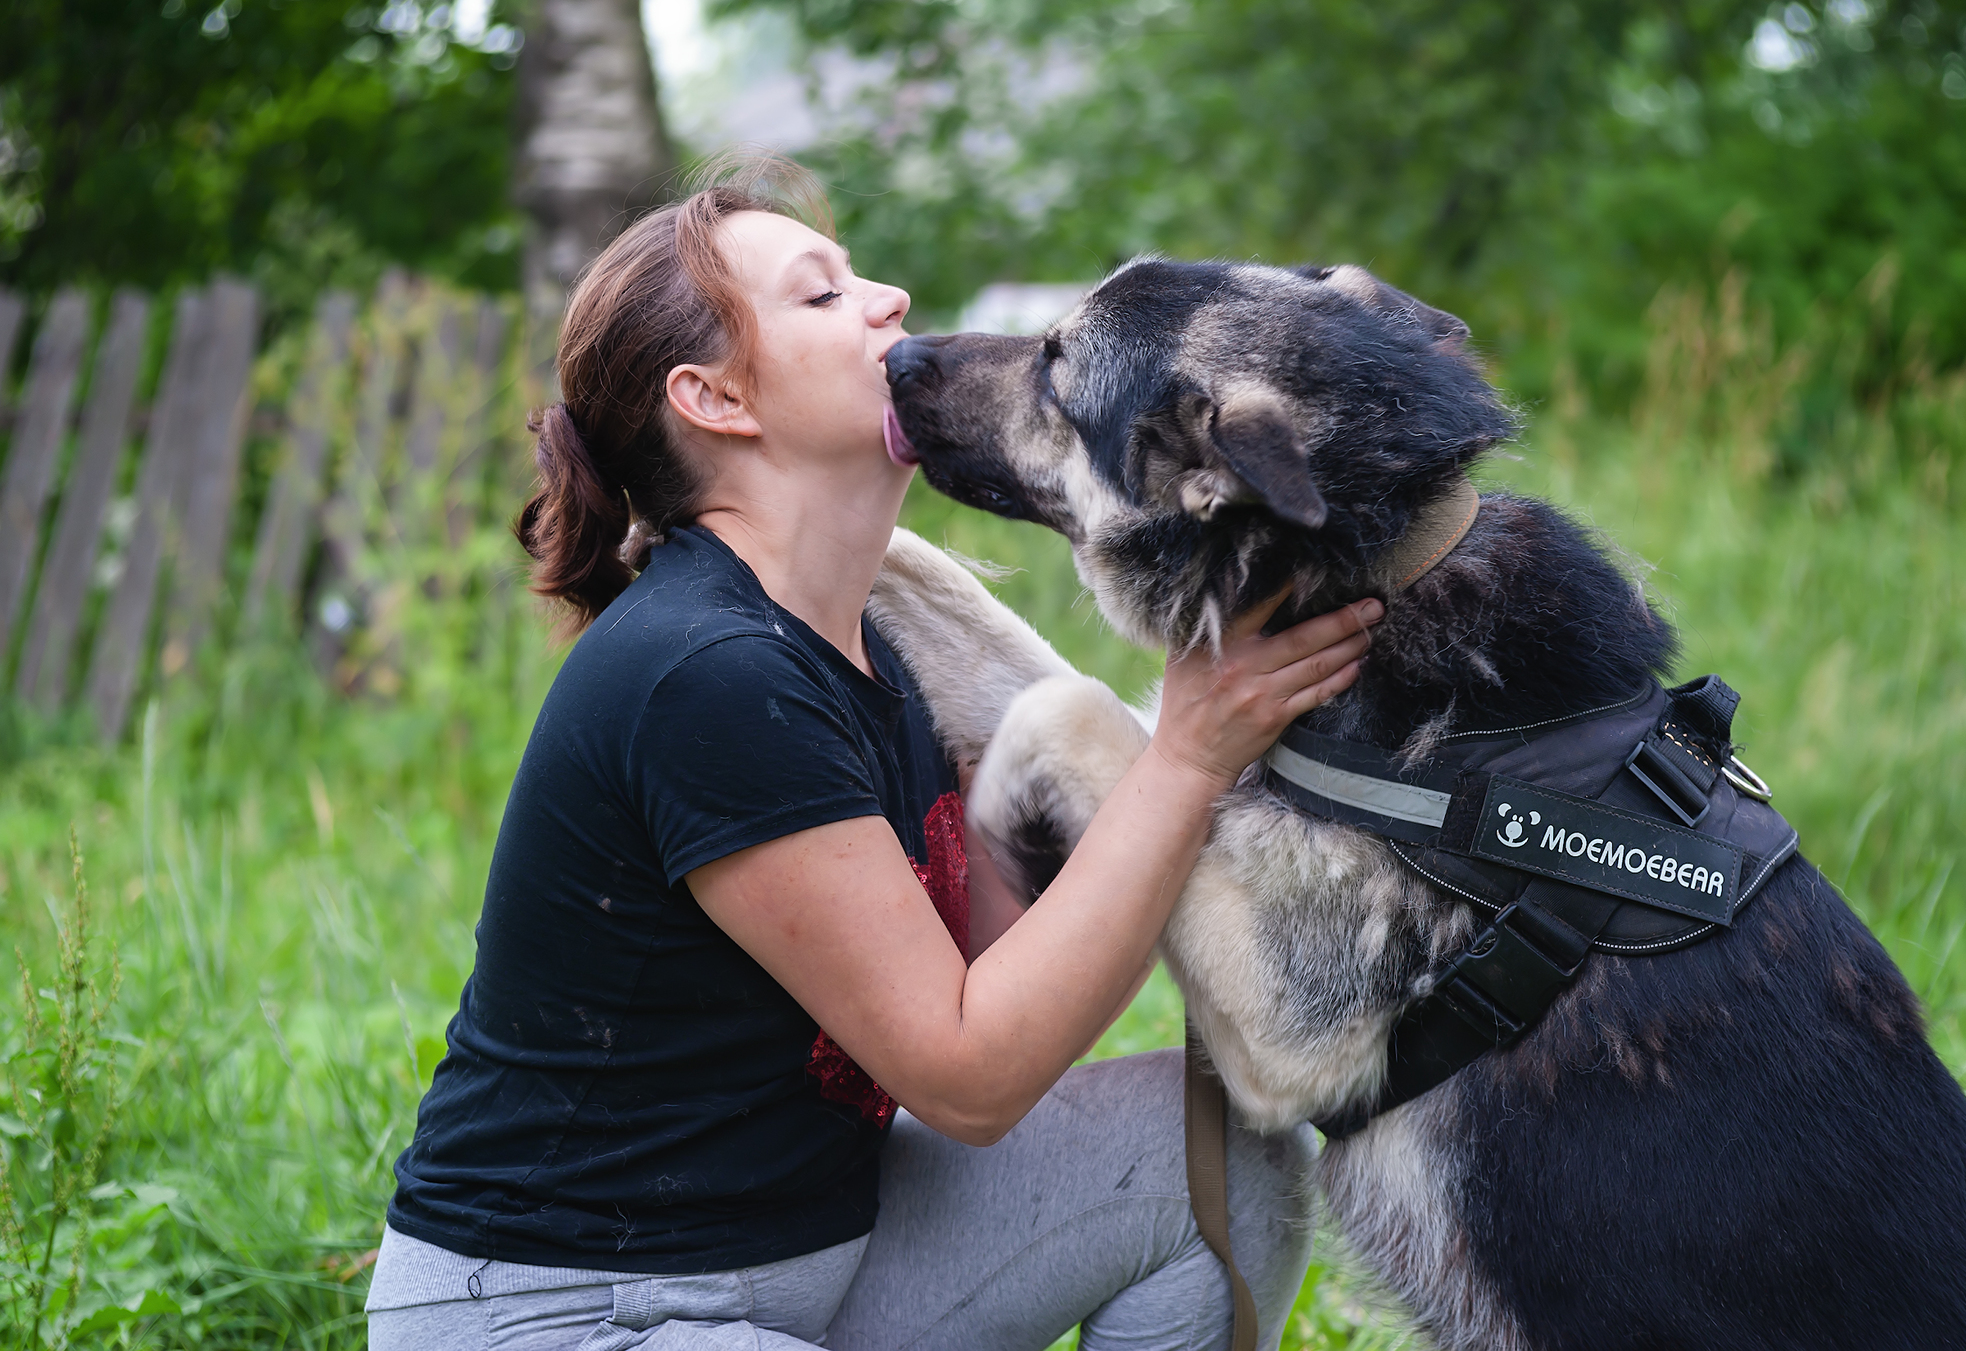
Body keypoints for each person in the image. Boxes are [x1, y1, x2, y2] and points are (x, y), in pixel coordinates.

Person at [364, 155, 1383, 1351]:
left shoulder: (873, 643)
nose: (889, 300)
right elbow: (968, 1075)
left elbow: (1007, 989)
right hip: (572, 1314)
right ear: (715, 400)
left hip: (813, 1261)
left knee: (1211, 1155)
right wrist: (1188, 757)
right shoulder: (710, 675)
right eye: (820, 295)